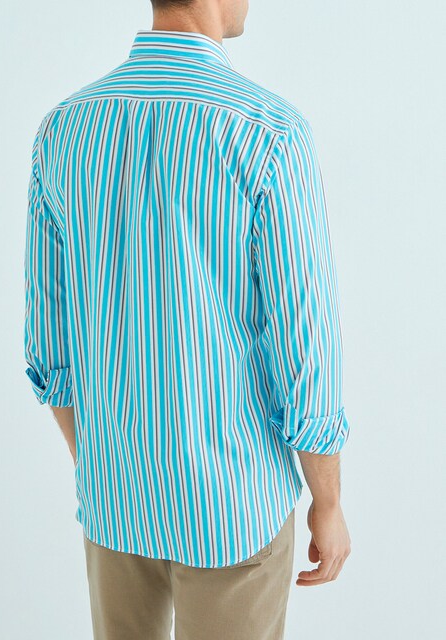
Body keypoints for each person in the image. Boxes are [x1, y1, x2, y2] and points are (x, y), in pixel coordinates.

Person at [23, 0, 352, 637]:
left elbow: (51, 342)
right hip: (231, 505)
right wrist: (329, 502)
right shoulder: (268, 133)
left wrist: (106, 462)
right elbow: (304, 345)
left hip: (114, 497)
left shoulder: (63, 130)